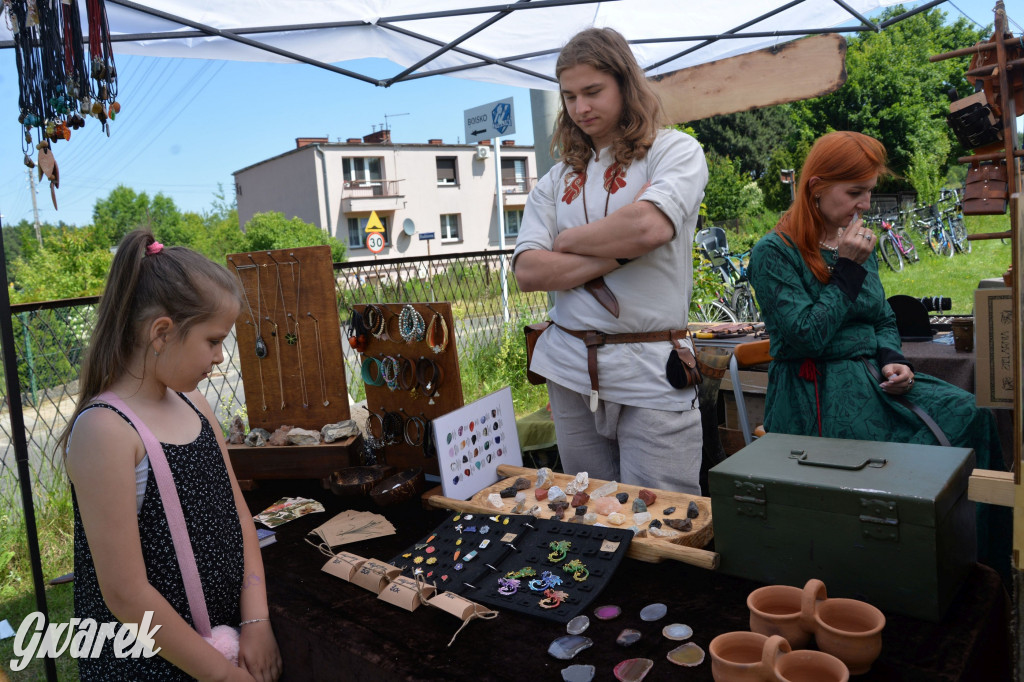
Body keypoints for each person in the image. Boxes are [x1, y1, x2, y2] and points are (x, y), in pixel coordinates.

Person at [748, 130, 1007, 575]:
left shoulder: (854, 241)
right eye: (855, 192)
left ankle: (977, 566)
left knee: (972, 415)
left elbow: (882, 318)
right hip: (815, 392)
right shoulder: (775, 253)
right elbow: (808, 336)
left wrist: (895, 359)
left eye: (869, 192)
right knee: (901, 459)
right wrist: (846, 268)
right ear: (815, 187)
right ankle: (900, 567)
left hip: (872, 379)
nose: (866, 205)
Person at [59, 228, 282, 681]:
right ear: (162, 332)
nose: (221, 357)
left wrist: (255, 621)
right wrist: (221, 674)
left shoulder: (194, 405)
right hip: (151, 666)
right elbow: (125, 594)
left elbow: (239, 519)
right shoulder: (106, 430)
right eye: (213, 340)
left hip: (220, 639)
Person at [512, 27, 708, 494]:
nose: (581, 108)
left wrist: (567, 240)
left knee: (661, 519)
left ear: (625, 83)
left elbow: (649, 227)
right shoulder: (556, 180)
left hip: (651, 371)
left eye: (593, 91)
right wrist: (621, 253)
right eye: (570, 96)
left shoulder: (673, 150)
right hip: (569, 369)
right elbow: (528, 272)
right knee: (587, 513)